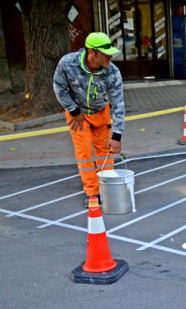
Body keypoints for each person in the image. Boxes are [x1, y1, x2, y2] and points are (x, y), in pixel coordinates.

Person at [53, 32, 125, 208]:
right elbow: (59, 87)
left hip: (101, 113)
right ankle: (92, 193)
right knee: (84, 154)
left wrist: (117, 136)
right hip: (77, 116)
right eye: (105, 53)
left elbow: (118, 103)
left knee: (105, 153)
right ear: (92, 52)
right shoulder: (68, 63)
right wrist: (73, 110)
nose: (111, 56)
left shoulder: (113, 72)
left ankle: (107, 188)